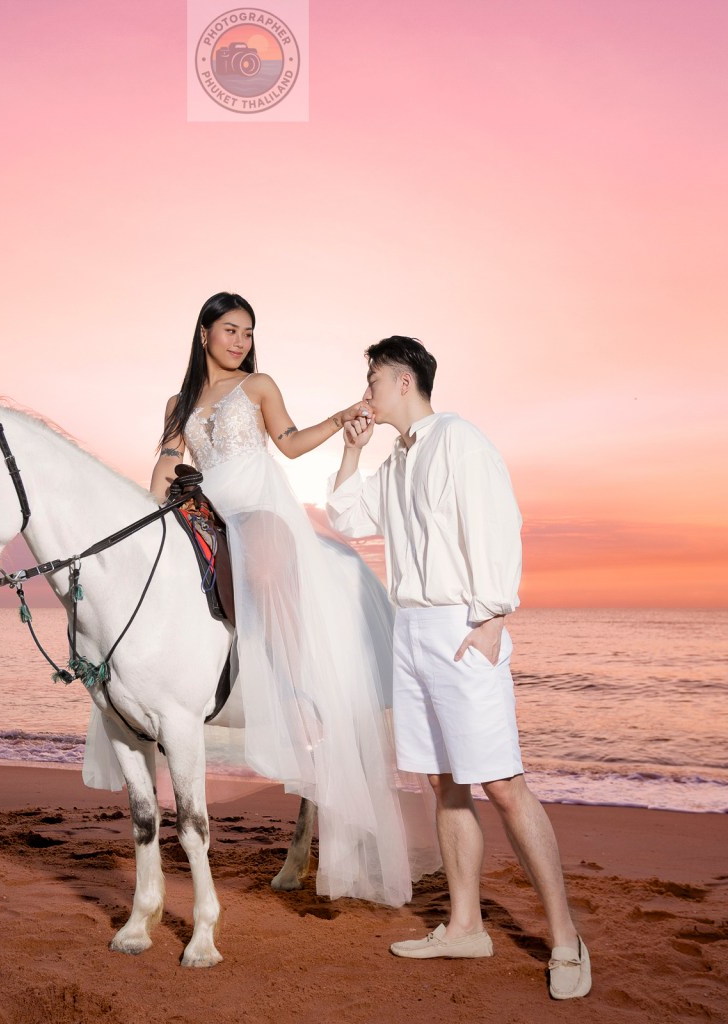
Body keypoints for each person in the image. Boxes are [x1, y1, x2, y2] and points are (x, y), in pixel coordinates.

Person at [141, 291, 432, 907]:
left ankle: (299, 694)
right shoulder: (178, 404)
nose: (240, 340)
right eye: (229, 330)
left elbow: (292, 443)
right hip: (205, 512)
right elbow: (168, 465)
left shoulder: (260, 385)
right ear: (204, 333)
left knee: (267, 566)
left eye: (248, 331)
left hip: (258, 510)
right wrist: (151, 517)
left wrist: (346, 416)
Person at [327, 336, 591, 1000]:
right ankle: (466, 925)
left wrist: (493, 618)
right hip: (411, 630)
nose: (368, 391)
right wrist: (353, 447)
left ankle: (566, 938)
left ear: (405, 380)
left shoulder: (461, 442)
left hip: (461, 627)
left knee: (502, 783)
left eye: (374, 380)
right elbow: (346, 517)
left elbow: (502, 524)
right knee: (443, 782)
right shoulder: (394, 460)